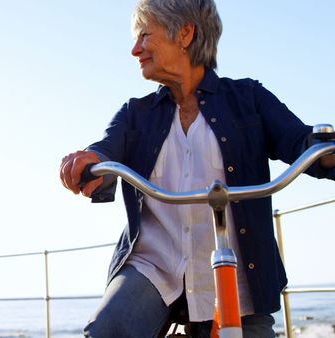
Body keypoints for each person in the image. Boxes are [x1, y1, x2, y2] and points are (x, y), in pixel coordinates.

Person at [59, 1, 335, 337]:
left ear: (185, 33)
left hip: (240, 275)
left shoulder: (248, 98)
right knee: (108, 330)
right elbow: (104, 150)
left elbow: (301, 143)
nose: (135, 49)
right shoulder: (136, 114)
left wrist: (325, 150)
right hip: (153, 269)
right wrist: (90, 162)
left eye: (145, 35)